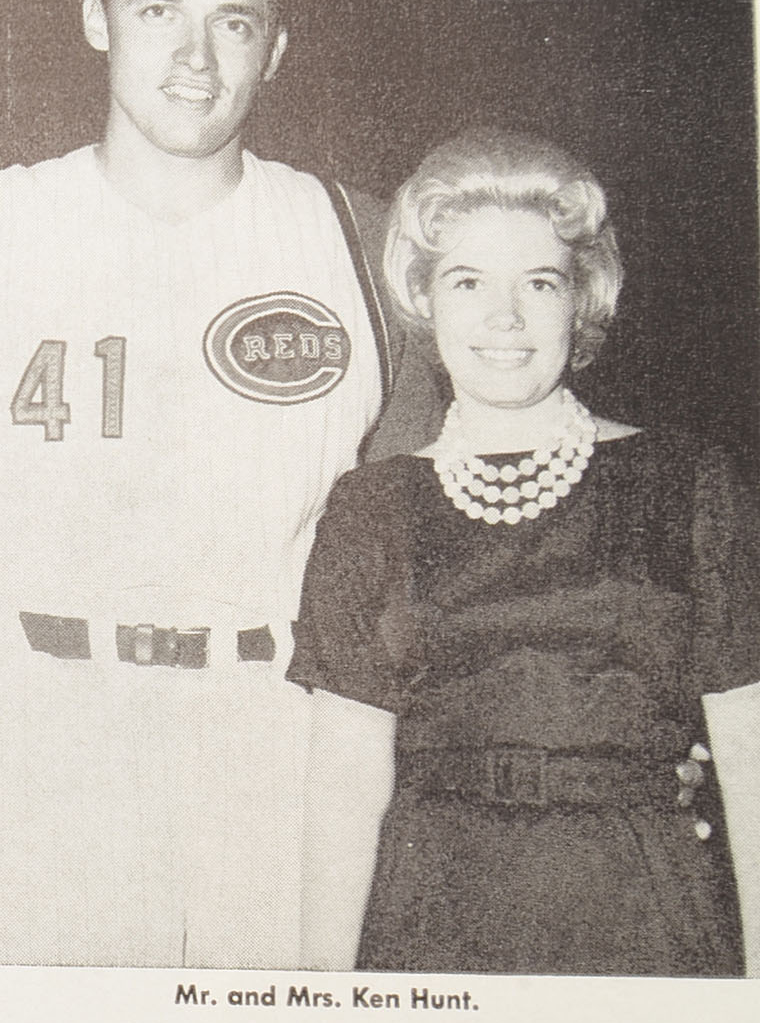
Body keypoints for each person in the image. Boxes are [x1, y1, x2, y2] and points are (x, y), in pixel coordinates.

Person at [0, 0, 441, 969]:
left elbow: (430, 569)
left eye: (234, 22)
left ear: (276, 49)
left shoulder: (363, 240)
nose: (196, 58)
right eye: (158, 11)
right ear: (97, 20)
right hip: (44, 742)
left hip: (285, 747)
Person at [293, 131, 759, 976]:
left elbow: (752, 765)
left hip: (644, 909)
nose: (503, 318)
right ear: (424, 297)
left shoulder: (689, 483)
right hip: (432, 914)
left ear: (581, 300)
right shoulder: (370, 507)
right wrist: (324, 1008)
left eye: (539, 282)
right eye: (468, 282)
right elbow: (344, 791)